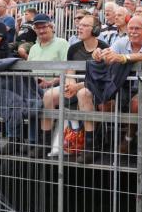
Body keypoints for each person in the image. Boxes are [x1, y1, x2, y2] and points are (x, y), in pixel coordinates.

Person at [44, 14, 110, 163]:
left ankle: (90, 146)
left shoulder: (103, 48)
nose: (80, 27)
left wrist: (76, 86)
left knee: (83, 93)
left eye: (85, 25)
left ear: (95, 30)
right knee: (49, 95)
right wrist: (69, 84)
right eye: (79, 24)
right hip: (75, 85)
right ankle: (45, 141)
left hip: (94, 88)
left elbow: (100, 78)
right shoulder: (73, 48)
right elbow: (70, 71)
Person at [92, 16, 142, 154]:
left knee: (136, 103)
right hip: (124, 87)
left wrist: (124, 58)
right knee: (103, 105)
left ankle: (129, 138)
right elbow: (109, 55)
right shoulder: (121, 42)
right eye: (130, 28)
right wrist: (99, 54)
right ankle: (97, 143)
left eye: (137, 28)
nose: (133, 31)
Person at [27, 14, 70, 158]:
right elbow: (28, 70)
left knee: (41, 99)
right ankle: (22, 140)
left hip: (55, 86)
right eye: (37, 27)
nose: (41, 30)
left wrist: (52, 82)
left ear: (51, 27)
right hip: (34, 86)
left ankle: (41, 143)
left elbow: (68, 69)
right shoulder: (33, 48)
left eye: (44, 26)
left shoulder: (62, 43)